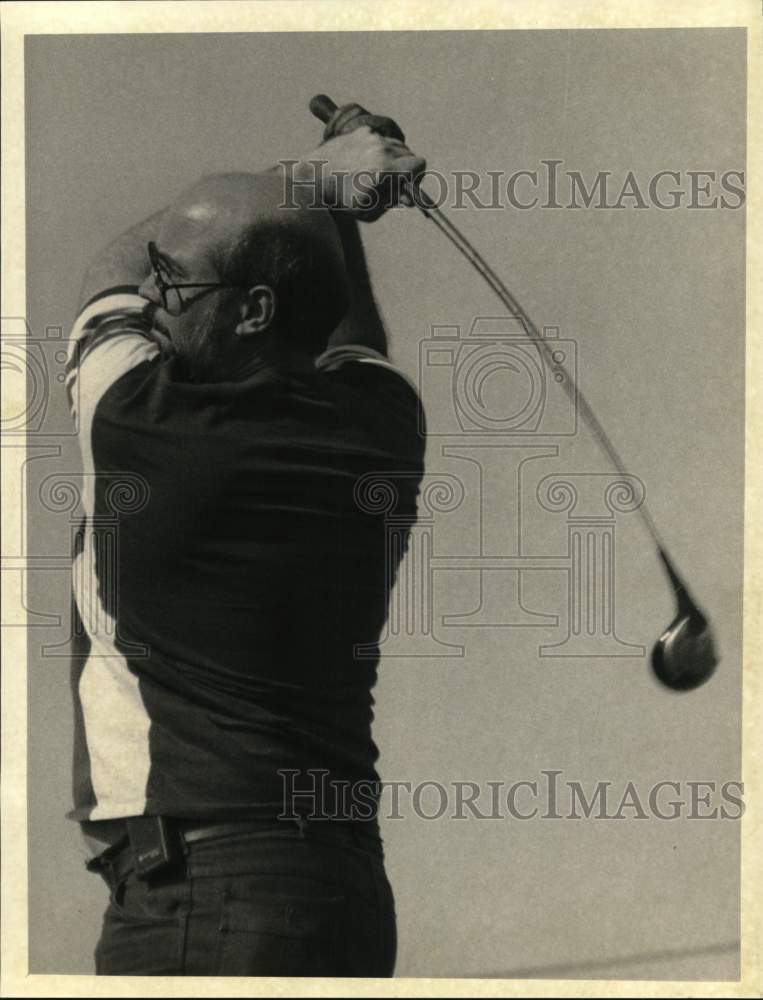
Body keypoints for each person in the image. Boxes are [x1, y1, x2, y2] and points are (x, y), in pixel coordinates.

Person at [65, 106, 426, 976]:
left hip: (206, 896)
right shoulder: (383, 423)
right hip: (337, 890)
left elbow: (105, 276)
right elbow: (345, 334)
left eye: (177, 285)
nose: (155, 297)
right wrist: (328, 206)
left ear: (256, 309)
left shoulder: (139, 420)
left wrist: (311, 175)